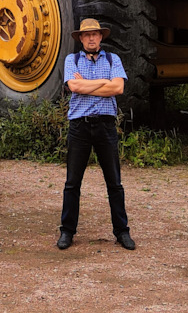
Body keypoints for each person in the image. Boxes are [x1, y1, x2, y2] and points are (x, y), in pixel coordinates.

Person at [57, 17, 136, 251]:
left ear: (101, 37)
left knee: (114, 183)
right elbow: (74, 87)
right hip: (79, 127)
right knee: (72, 183)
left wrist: (90, 83)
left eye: (95, 34)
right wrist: (104, 82)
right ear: (81, 38)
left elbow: (118, 88)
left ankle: (122, 232)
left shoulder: (113, 59)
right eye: (87, 34)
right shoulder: (72, 59)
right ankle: (67, 232)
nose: (91, 38)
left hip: (106, 126)